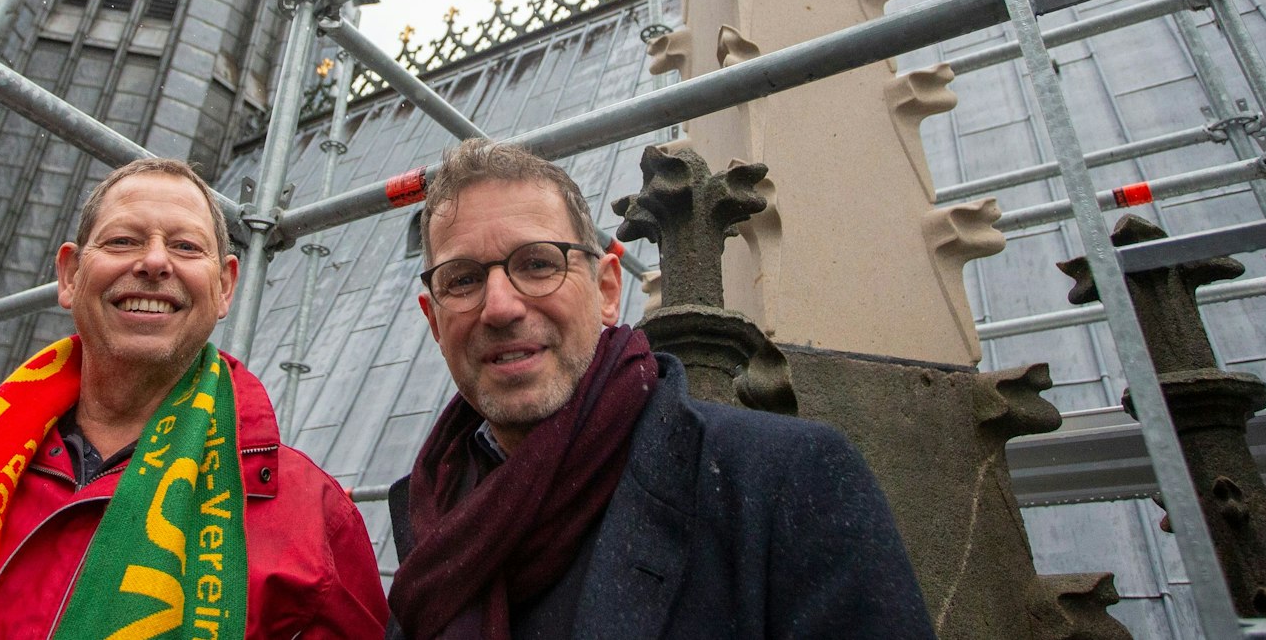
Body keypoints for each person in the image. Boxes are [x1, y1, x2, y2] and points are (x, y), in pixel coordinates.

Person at [387, 139, 936, 640]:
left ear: (607, 290)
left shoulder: (787, 482)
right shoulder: (431, 517)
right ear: (434, 321)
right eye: (463, 279)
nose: (500, 306)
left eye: (537, 264)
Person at [0, 157, 387, 640]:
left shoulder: (312, 523)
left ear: (225, 287)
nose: (155, 262)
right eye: (122, 241)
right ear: (70, 275)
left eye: (186, 246)